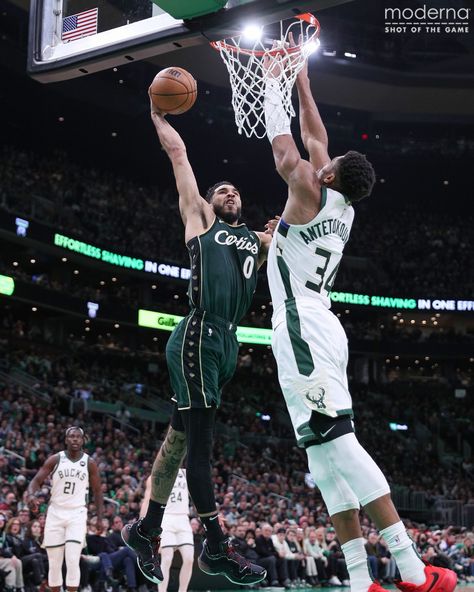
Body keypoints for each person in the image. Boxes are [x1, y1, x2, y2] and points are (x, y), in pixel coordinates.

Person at [262, 52, 457, 592]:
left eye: (327, 160)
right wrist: (301, 78)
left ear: (328, 173)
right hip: (316, 324)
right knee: (323, 460)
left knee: (341, 446)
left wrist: (274, 84)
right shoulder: (340, 204)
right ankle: (357, 580)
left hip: (303, 326)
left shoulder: (306, 188)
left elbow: (286, 149)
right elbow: (315, 133)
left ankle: (415, 572)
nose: (321, 156)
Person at [121, 90, 270, 587]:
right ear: (207, 202)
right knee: (202, 447)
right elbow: (179, 156)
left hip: (226, 344)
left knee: (180, 441)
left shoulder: (259, 241)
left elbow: (299, 227)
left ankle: (146, 529)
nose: (229, 194)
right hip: (198, 332)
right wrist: (157, 114)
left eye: (234, 191)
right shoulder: (200, 220)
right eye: (221, 191)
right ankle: (217, 548)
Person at [27, 426, 104, 592]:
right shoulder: (55, 459)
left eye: (78, 437)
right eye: (72, 436)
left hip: (77, 514)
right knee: (54, 562)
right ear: (66, 440)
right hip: (55, 513)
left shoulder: (89, 463)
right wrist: (31, 495)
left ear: (83, 440)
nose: (75, 439)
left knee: (72, 559)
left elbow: (98, 491)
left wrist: (99, 517)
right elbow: (35, 481)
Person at [141, 471, 194, 592]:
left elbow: (198, 496)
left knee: (189, 558)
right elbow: (146, 500)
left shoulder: (187, 474)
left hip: (183, 519)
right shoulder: (156, 474)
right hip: (166, 517)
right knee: (167, 557)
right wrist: (142, 523)